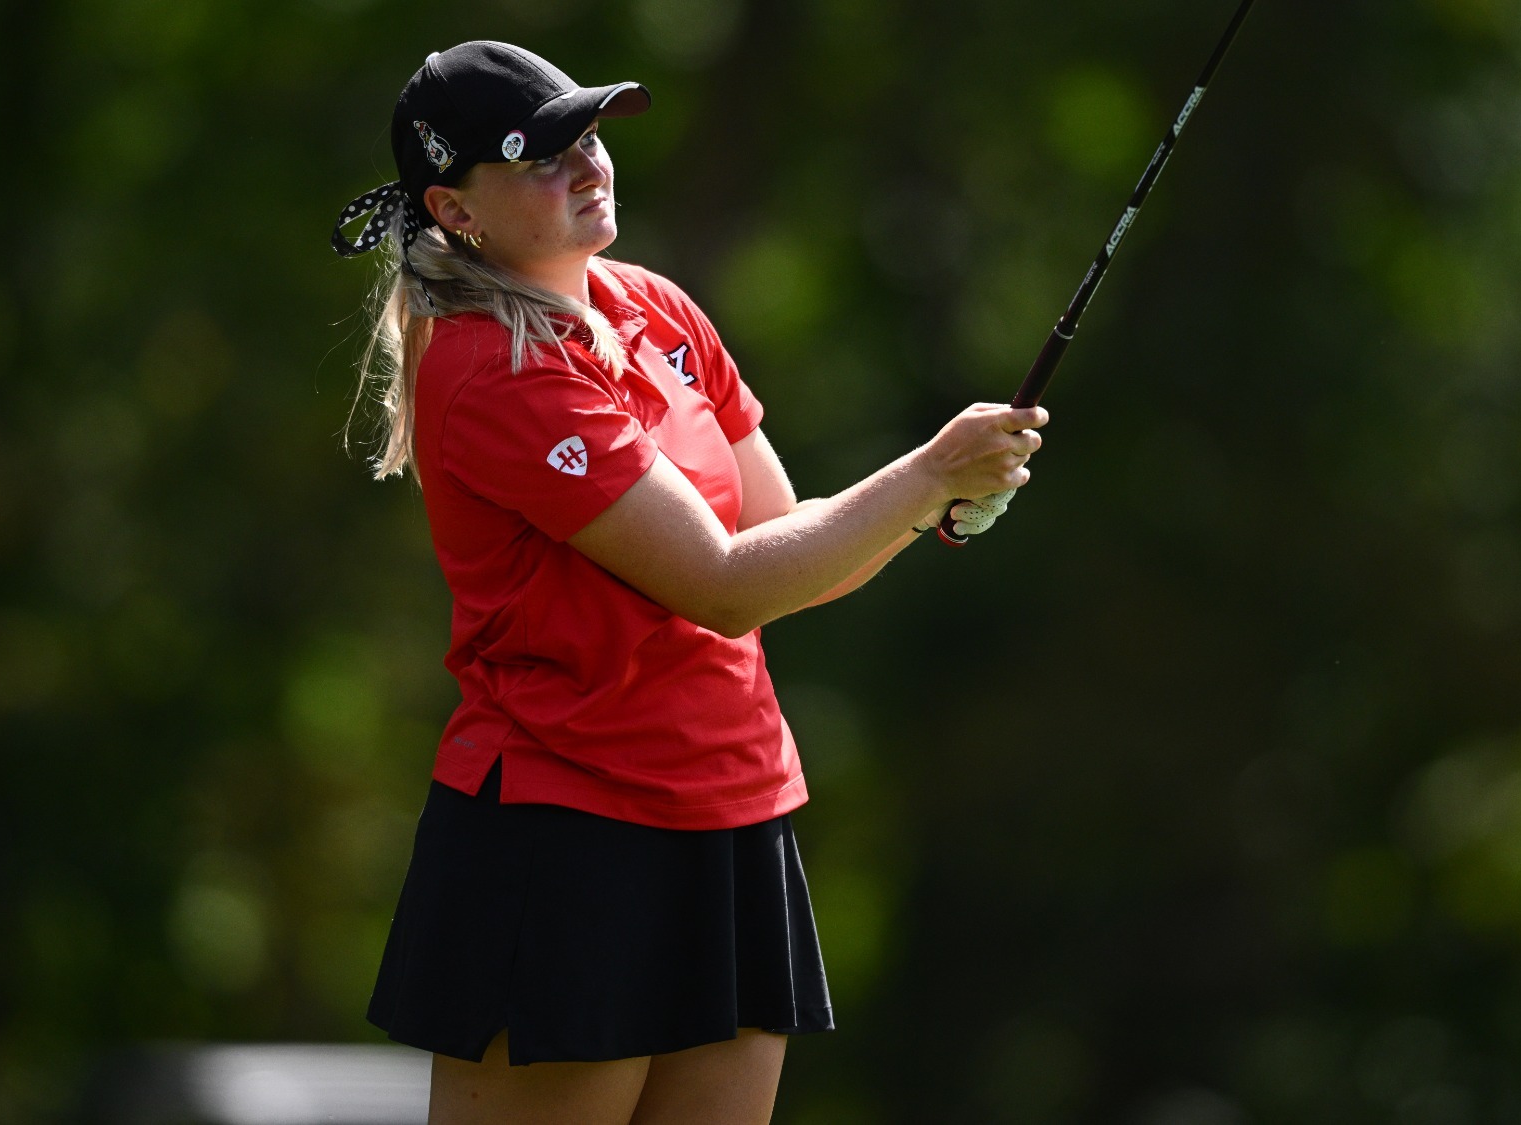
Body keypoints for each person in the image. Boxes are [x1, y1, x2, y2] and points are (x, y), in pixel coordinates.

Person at [329, 41, 1044, 1125]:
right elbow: (721, 585)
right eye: (536, 155)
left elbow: (786, 541)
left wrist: (922, 508)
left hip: (732, 812)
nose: (585, 165)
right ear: (453, 207)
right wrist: (924, 476)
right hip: (564, 833)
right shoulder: (490, 369)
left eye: (590, 135)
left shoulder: (655, 309)